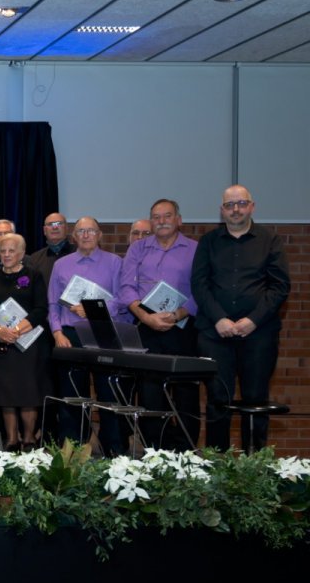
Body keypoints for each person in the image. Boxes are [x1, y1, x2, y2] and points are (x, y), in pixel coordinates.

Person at [192, 185, 290, 451]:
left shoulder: (270, 240)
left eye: (241, 203)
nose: (235, 209)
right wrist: (219, 319)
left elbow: (280, 286)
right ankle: (217, 464)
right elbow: (199, 285)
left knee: (256, 399)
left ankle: (253, 467)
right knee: (217, 400)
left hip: (259, 334)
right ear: (222, 209)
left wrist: (253, 320)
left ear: (252, 206)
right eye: (229, 205)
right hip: (215, 335)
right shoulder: (208, 242)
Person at [118, 199, 199, 450]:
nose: (161, 221)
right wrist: (145, 317)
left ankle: (185, 454)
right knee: (150, 394)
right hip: (146, 329)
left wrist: (178, 314)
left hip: (184, 330)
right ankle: (155, 451)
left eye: (167, 216)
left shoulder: (196, 249)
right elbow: (126, 287)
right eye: (156, 217)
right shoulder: (138, 249)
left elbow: (203, 288)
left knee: (186, 394)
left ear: (179, 219)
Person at [47, 217, 125, 455]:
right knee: (71, 397)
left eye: (91, 230)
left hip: (103, 333)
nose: (86, 235)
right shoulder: (61, 264)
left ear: (100, 234)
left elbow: (121, 299)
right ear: (74, 236)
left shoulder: (115, 262)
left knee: (108, 395)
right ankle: (72, 452)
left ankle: (113, 451)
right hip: (70, 335)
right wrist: (57, 332)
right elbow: (52, 302)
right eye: (81, 231)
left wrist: (92, 309)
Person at [0, 233, 49, 451]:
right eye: (3, 250)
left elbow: (40, 310)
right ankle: (11, 439)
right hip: (1, 345)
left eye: (12, 251)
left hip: (29, 344)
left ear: (21, 254)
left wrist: (16, 331)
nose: (7, 254)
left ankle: (28, 439)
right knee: (6, 394)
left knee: (28, 394)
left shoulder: (34, 275)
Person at [27, 212, 75, 286]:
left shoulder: (79, 253)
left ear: (66, 228)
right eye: (50, 224)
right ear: (44, 230)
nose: (55, 227)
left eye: (59, 223)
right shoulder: (34, 259)